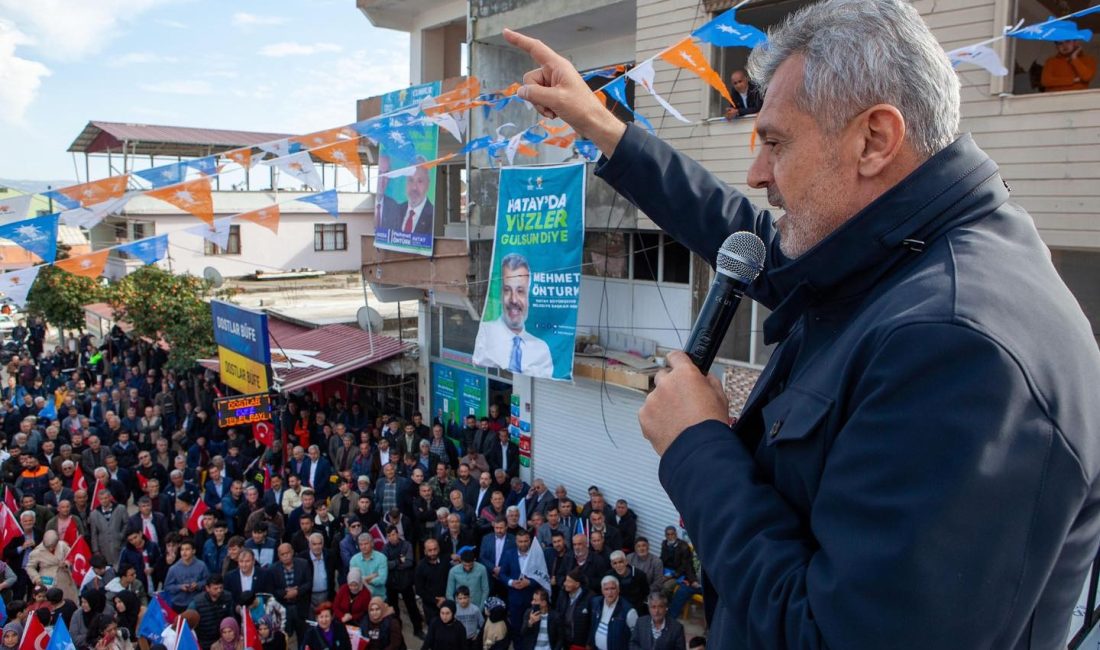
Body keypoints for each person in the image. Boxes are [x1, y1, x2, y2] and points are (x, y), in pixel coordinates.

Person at [502, 0, 1100, 646]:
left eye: (776, 142)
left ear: (874, 140)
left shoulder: (959, 345)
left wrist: (697, 446)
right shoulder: (899, 256)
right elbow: (750, 233)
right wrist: (599, 124)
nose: (758, 173)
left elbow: (833, 634)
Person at [471, 253, 554, 376]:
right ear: (500, 294)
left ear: (528, 296)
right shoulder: (486, 334)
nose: (513, 300)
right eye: (507, 290)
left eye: (520, 291)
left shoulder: (542, 350)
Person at [393, 161, 434, 236]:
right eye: (411, 180)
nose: (414, 187)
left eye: (420, 181)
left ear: (427, 184)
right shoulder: (396, 211)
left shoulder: (434, 215)